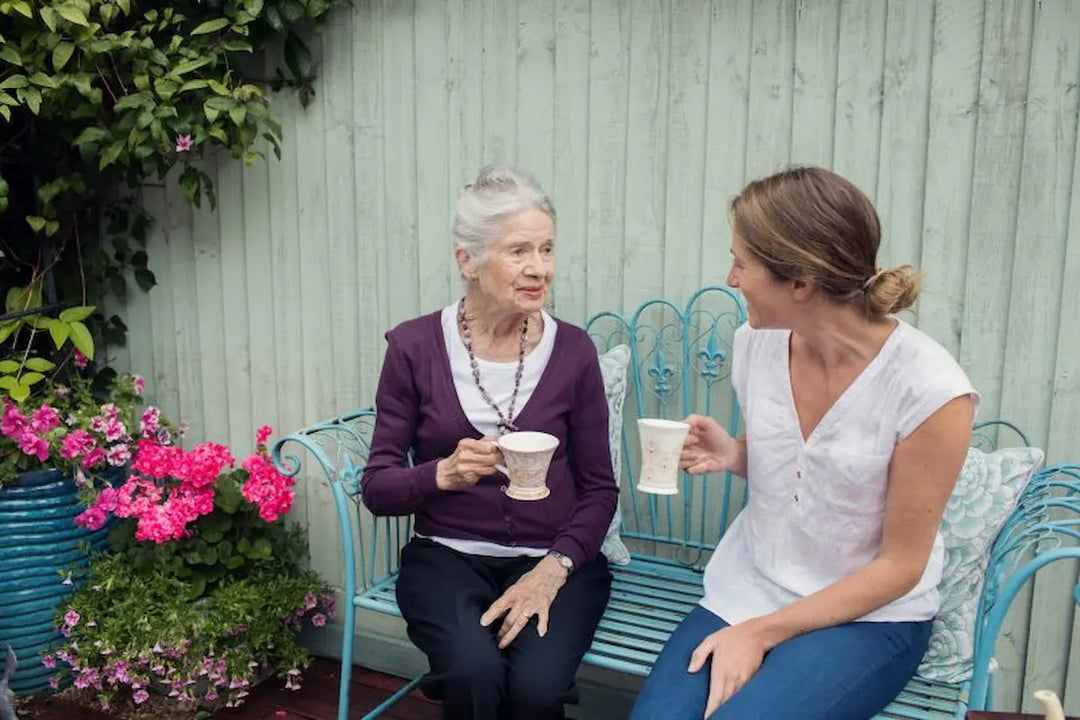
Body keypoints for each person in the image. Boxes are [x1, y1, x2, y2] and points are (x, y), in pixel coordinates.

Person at [630, 166, 978, 720]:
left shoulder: (931, 391)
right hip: (748, 588)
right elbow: (812, 469)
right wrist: (738, 455)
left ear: (800, 283)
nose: (731, 277)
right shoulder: (755, 345)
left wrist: (762, 634)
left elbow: (900, 566)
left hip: (869, 617)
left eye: (742, 263)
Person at [361, 165, 618, 720]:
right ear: (468, 261)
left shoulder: (574, 352)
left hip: (559, 560)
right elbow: (377, 488)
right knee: (473, 674)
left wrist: (552, 571)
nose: (539, 269)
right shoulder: (412, 347)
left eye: (547, 250)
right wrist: (441, 475)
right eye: (519, 251)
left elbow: (600, 489)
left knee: (537, 690)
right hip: (447, 556)